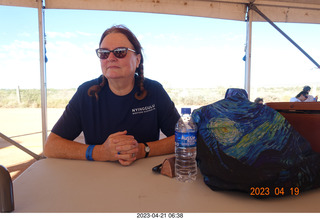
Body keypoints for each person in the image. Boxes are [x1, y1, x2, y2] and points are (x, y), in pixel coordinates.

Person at [44, 25, 180, 166]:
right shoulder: (86, 93)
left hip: (145, 177)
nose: (110, 58)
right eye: (104, 53)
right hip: (98, 178)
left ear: (138, 59)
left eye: (120, 52)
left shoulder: (154, 91)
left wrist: (143, 149)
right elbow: (51, 146)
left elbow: (185, 138)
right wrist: (100, 152)